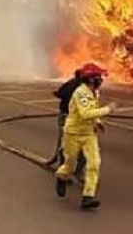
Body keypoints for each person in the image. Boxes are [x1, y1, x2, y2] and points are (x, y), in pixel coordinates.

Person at [55, 62, 117, 210]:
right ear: (90, 79)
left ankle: (88, 196)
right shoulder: (80, 93)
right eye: (98, 77)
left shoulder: (94, 92)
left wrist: (98, 121)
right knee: (70, 165)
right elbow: (84, 113)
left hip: (88, 134)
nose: (101, 80)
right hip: (73, 133)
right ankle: (61, 177)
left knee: (94, 164)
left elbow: (92, 111)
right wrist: (108, 109)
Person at [47, 69, 86, 180]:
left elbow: (60, 94)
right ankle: (76, 172)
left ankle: (66, 170)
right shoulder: (81, 87)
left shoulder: (71, 84)